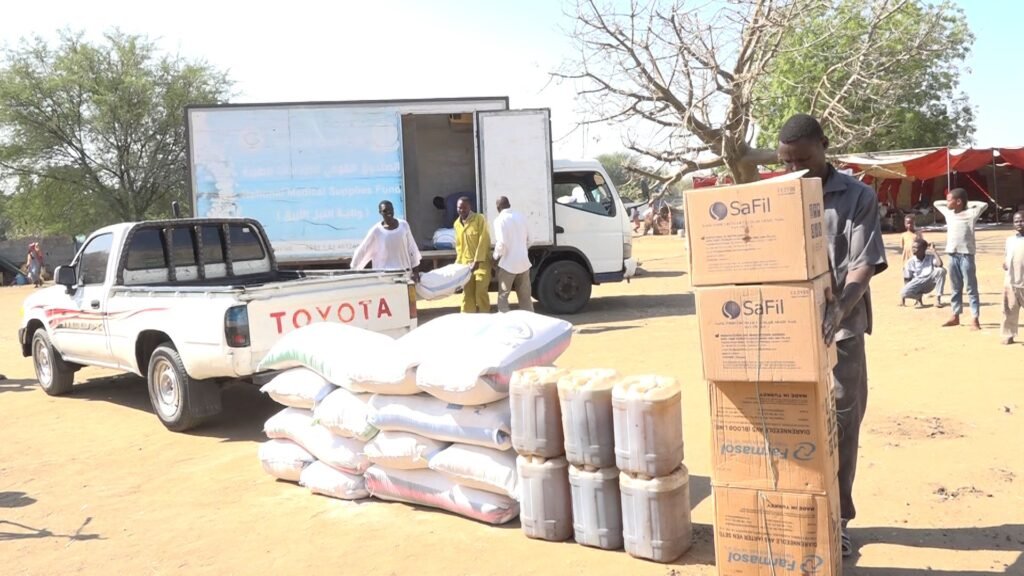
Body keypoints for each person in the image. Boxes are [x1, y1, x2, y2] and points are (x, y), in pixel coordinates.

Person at [776, 114, 888, 558]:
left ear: (824, 145)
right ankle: (796, 511)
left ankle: (838, 518)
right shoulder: (777, 194)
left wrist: (840, 307)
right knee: (790, 422)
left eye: (803, 160)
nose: (794, 170)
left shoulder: (858, 196)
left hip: (841, 329)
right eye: (786, 162)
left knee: (842, 423)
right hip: (786, 330)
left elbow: (863, 263)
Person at [934, 188, 987, 329]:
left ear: (958, 201)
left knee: (971, 288)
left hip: (966, 255)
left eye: (949, 200)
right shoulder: (949, 213)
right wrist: (953, 201)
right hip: (952, 254)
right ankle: (955, 315)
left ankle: (975, 318)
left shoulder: (972, 214)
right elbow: (936, 203)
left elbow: (983, 204)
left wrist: (966, 203)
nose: (946, 203)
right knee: (955, 287)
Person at [350, 200, 422, 280]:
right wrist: (353, 268)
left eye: (390, 209)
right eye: (385, 211)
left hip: (404, 274)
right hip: (384, 277)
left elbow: (412, 248)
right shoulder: (376, 231)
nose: (388, 212)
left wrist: (416, 272)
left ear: (393, 210)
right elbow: (363, 249)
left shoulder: (404, 225)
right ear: (380, 212)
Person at [492, 196, 533, 313]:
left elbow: (501, 244)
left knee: (503, 297)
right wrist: (521, 250)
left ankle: (504, 319)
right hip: (524, 263)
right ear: (509, 205)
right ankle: (530, 319)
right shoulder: (521, 216)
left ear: (498, 208)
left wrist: (495, 258)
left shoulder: (499, 220)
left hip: (508, 264)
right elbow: (531, 239)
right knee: (525, 298)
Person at [454, 196, 491, 313]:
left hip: (481, 265)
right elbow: (459, 247)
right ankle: (467, 319)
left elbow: (484, 241)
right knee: (467, 295)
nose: (461, 210)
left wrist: (477, 261)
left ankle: (485, 317)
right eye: (459, 208)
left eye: (464, 207)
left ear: (470, 207)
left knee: (480, 293)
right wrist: (457, 265)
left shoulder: (479, 219)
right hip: (466, 266)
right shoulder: (457, 224)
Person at [901, 237, 946, 307]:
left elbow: (940, 264)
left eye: (915, 248)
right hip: (917, 282)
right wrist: (903, 297)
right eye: (912, 247)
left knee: (941, 270)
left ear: (923, 249)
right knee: (903, 293)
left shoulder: (930, 257)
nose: (913, 249)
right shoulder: (910, 262)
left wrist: (934, 251)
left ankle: (938, 300)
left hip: (929, 282)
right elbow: (907, 280)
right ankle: (919, 298)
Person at [1001, 210, 1024, 345]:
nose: (1019, 223)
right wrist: (1005, 263)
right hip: (1011, 281)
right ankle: (1009, 334)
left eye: (1022, 220)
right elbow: (1007, 256)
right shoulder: (1010, 240)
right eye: (1016, 221)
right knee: (1009, 309)